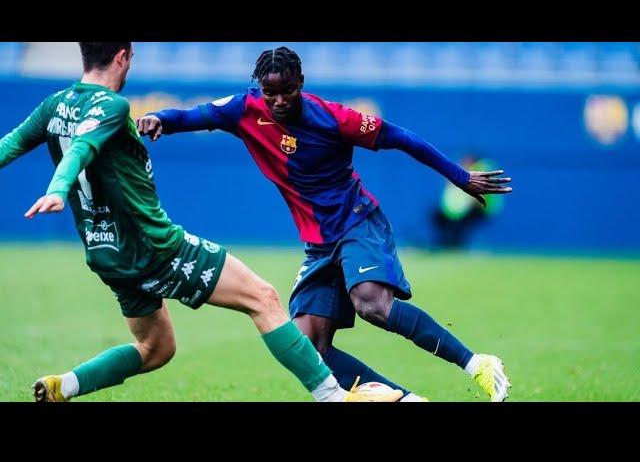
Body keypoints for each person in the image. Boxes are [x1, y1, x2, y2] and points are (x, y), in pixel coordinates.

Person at [0, 42, 397, 403]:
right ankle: (335, 397)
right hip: (156, 247)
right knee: (263, 298)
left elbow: (12, 142)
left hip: (106, 253)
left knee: (155, 348)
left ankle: (62, 386)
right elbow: (83, 148)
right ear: (123, 56)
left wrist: (60, 184)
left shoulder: (56, 105)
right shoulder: (112, 106)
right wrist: (58, 187)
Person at [137, 46, 513, 401]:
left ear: (300, 83)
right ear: (260, 88)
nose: (279, 100)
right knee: (308, 348)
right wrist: (161, 119)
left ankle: (476, 363)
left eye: (287, 91)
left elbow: (400, 137)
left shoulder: (334, 118)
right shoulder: (243, 110)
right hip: (319, 244)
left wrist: (460, 177)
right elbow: (191, 115)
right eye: (271, 93)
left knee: (372, 304)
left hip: (357, 222)